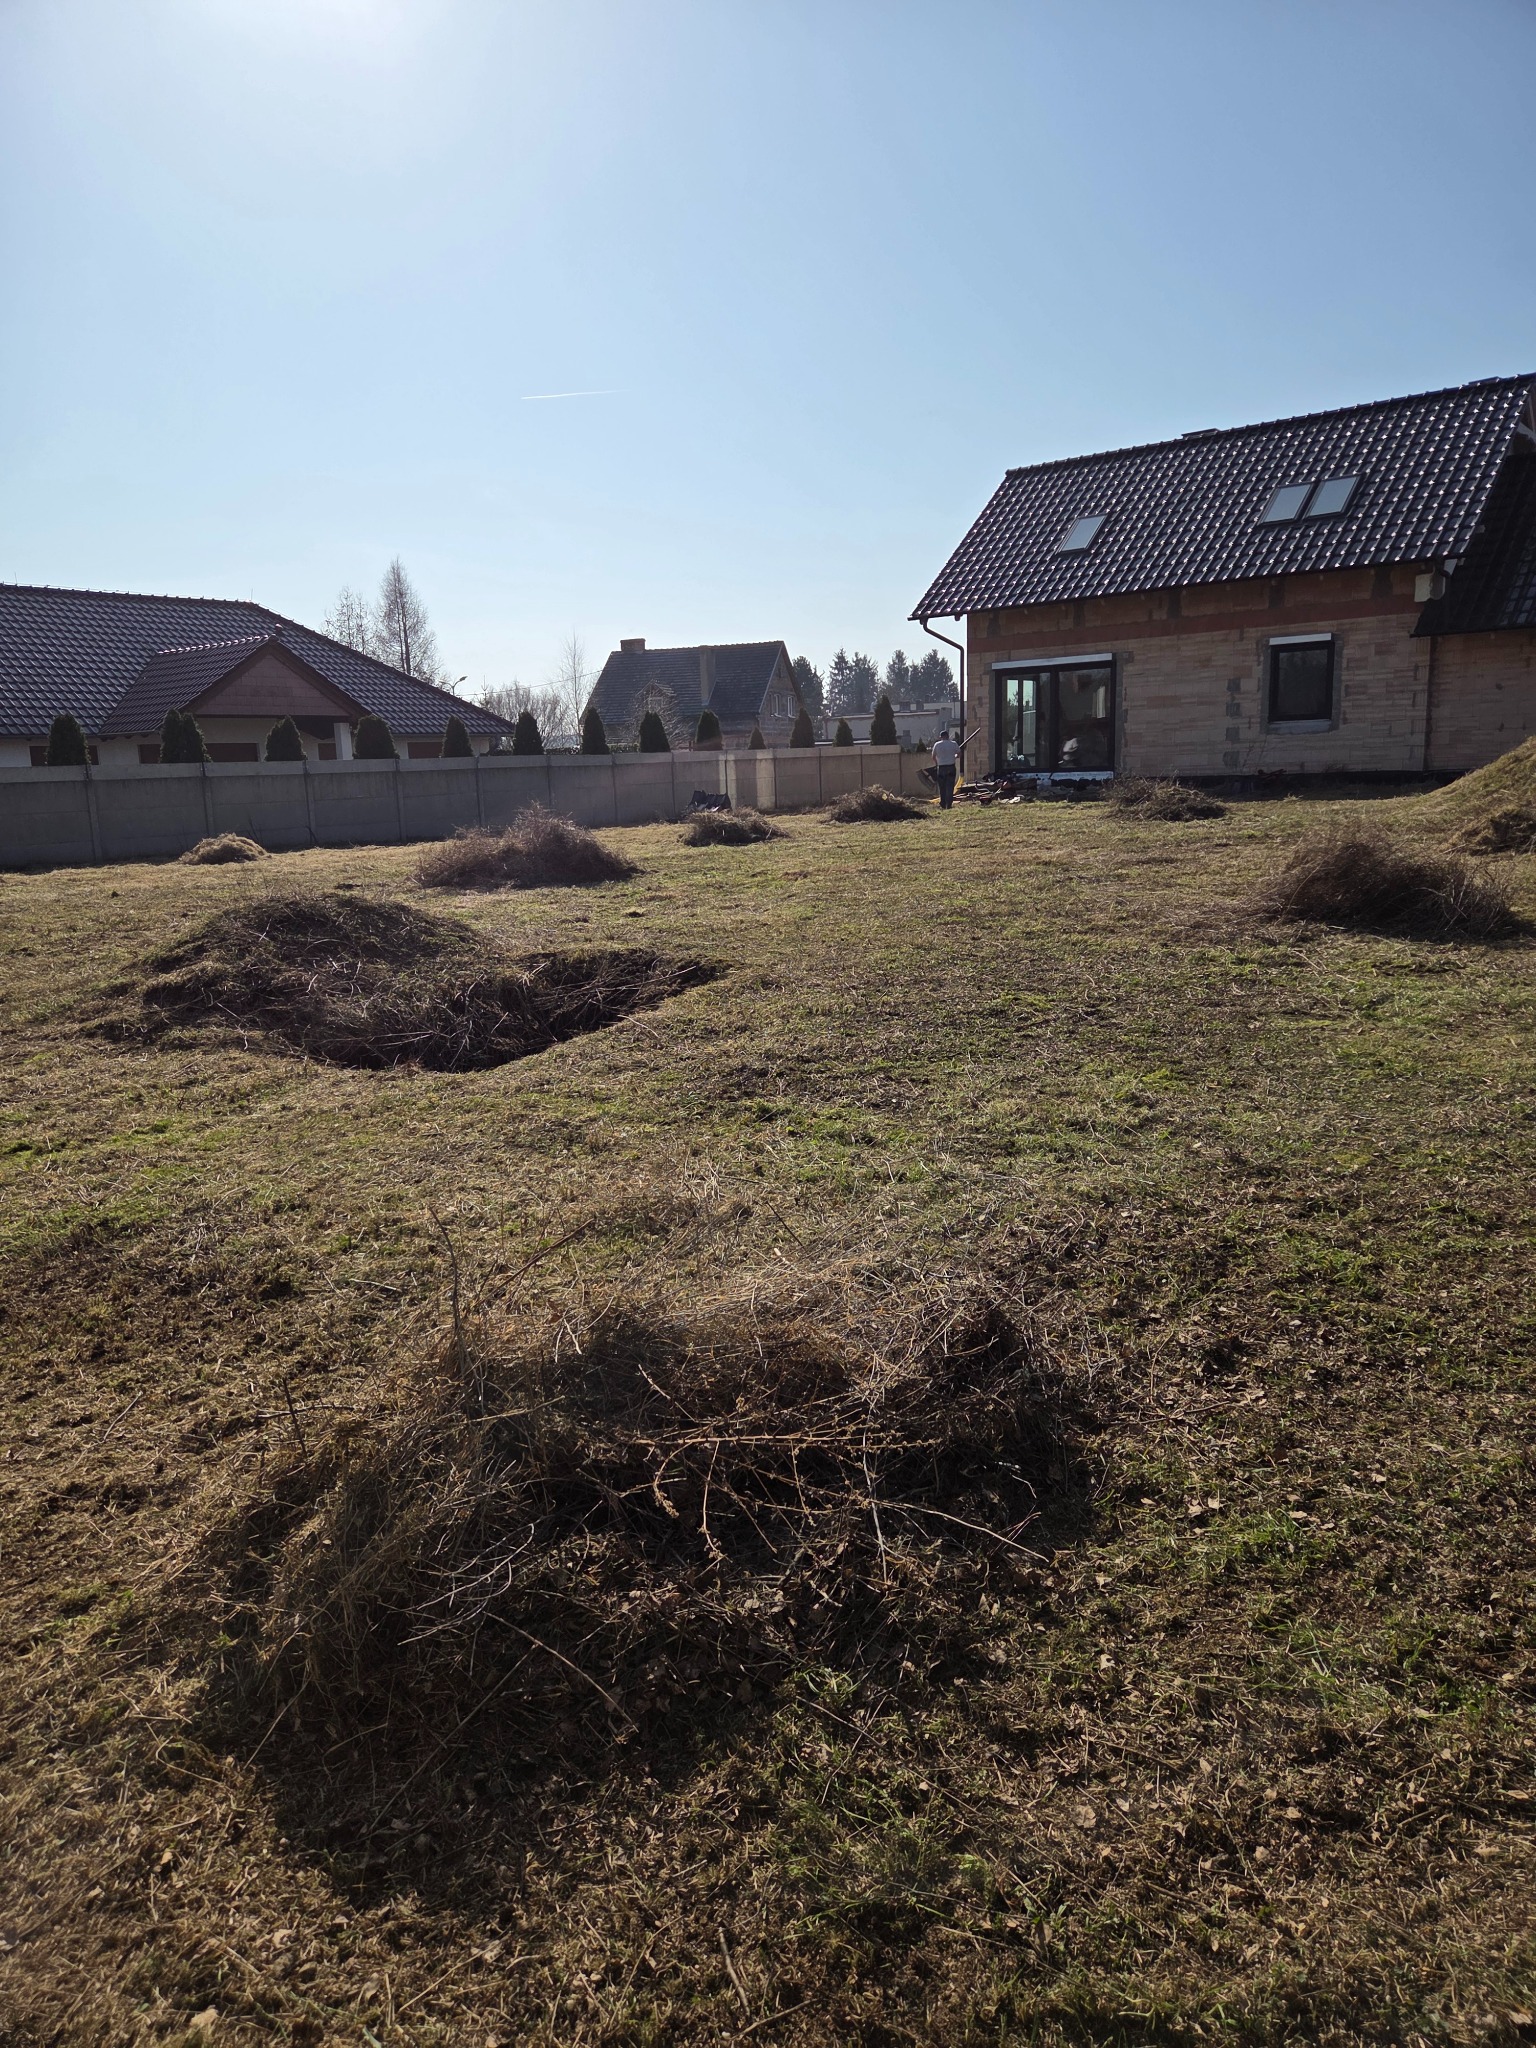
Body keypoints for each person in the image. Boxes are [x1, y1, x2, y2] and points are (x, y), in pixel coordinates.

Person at [929, 725, 981, 809]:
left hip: (941, 767)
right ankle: (949, 804)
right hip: (951, 767)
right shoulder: (953, 744)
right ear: (948, 736)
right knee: (950, 787)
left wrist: (937, 763)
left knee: (942, 787)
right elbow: (959, 754)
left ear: (941, 737)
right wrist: (955, 756)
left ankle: (943, 803)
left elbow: (933, 756)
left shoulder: (937, 745)